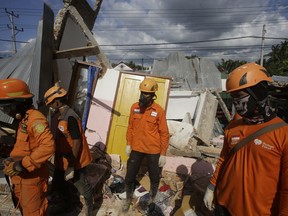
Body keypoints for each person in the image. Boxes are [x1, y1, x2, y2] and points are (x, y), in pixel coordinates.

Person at [203, 62, 288, 215]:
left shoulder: (283, 133)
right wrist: (212, 186)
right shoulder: (233, 125)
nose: (236, 102)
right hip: (223, 203)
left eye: (240, 96)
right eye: (233, 97)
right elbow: (224, 159)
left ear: (258, 93)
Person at [0, 78, 55, 216]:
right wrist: (11, 159)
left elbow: (48, 146)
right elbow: (24, 146)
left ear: (19, 103)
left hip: (32, 179)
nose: (6, 112)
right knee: (23, 209)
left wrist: (22, 165)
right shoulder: (22, 119)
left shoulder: (35, 119)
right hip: (21, 178)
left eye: (7, 108)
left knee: (33, 212)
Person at [43, 85, 94, 216]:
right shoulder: (60, 115)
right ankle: (65, 205)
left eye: (51, 104)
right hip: (63, 159)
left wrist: (71, 165)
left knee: (81, 184)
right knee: (57, 184)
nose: (50, 107)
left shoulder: (70, 117)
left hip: (76, 160)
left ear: (57, 102)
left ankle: (91, 209)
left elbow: (77, 141)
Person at [123, 78, 170, 212]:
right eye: (142, 92)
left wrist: (163, 154)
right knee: (129, 176)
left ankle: (152, 199)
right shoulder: (134, 107)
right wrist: (128, 144)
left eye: (147, 93)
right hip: (136, 148)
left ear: (153, 95)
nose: (144, 95)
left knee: (154, 177)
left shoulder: (159, 111)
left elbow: (164, 133)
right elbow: (130, 127)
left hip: (153, 150)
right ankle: (127, 199)